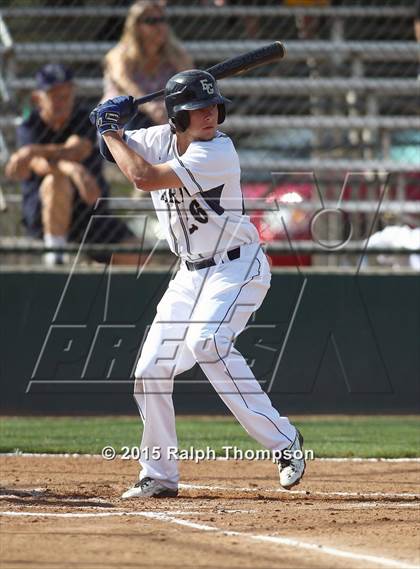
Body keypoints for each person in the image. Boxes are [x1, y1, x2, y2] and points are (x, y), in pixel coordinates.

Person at [90, 69, 306, 498]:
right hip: (189, 273)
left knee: (206, 342)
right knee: (150, 371)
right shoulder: (157, 138)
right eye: (196, 109)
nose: (209, 115)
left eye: (212, 106)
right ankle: (159, 475)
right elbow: (111, 152)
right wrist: (107, 125)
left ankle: (285, 442)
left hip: (237, 266)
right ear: (176, 117)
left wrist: (110, 129)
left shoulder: (219, 151)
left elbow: (142, 178)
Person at [5, 63, 137, 266]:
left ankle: (90, 266)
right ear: (37, 98)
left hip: (88, 211)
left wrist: (32, 151)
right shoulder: (30, 124)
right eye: (54, 96)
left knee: (139, 256)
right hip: (44, 216)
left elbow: (77, 150)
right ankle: (56, 256)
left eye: (66, 95)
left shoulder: (83, 118)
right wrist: (71, 169)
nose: (61, 102)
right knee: (56, 181)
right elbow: (38, 165)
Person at [102, 0, 193, 129]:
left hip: (163, 112)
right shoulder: (119, 55)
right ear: (135, 26)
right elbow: (125, 85)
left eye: (162, 20)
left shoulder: (176, 54)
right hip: (124, 115)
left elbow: (190, 82)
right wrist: (150, 107)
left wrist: (166, 106)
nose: (159, 26)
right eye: (151, 21)